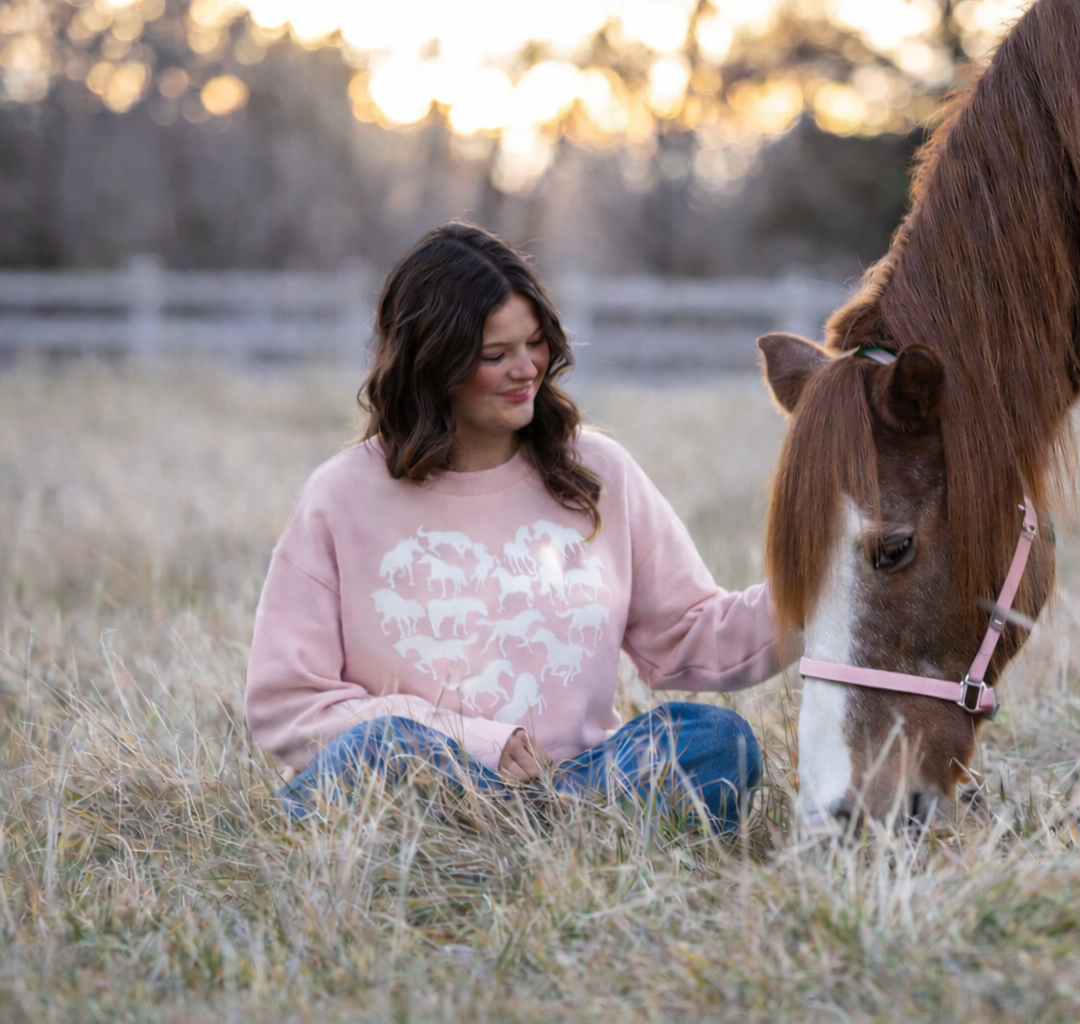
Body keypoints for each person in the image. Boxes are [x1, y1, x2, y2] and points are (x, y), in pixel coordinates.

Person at [245, 221, 781, 831]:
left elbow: (691, 633)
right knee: (379, 748)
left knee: (717, 742)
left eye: (536, 343)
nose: (527, 369)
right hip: (424, 781)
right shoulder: (341, 496)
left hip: (580, 780)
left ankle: (544, 841)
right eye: (495, 355)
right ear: (431, 364)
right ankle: (566, 844)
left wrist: (818, 591)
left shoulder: (598, 471)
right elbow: (288, 705)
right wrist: (472, 741)